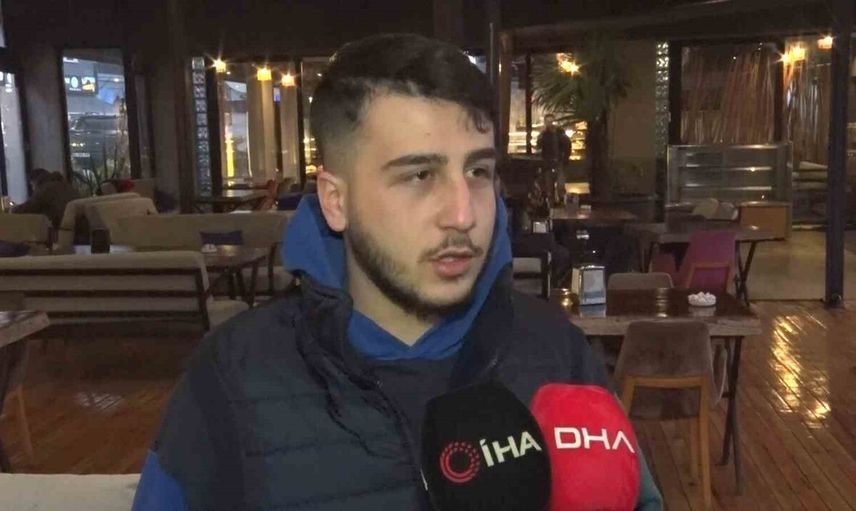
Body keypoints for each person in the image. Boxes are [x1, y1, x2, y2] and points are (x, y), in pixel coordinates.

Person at [131, 34, 662, 511]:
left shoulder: (558, 352)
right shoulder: (230, 377)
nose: (463, 214)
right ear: (335, 200)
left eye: (478, 171)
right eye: (420, 175)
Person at [11, 168, 79, 228]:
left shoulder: (45, 189)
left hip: (64, 226)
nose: (33, 188)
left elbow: (30, 206)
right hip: (77, 224)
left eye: (32, 185)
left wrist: (12, 209)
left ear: (35, 181)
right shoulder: (64, 185)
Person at [536, 114, 571, 202]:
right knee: (549, 185)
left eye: (552, 122)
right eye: (548, 122)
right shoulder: (544, 135)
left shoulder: (560, 134)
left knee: (560, 184)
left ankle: (561, 199)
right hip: (548, 163)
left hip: (559, 161)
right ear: (545, 123)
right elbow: (539, 147)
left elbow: (567, 146)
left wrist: (565, 157)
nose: (550, 124)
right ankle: (552, 202)